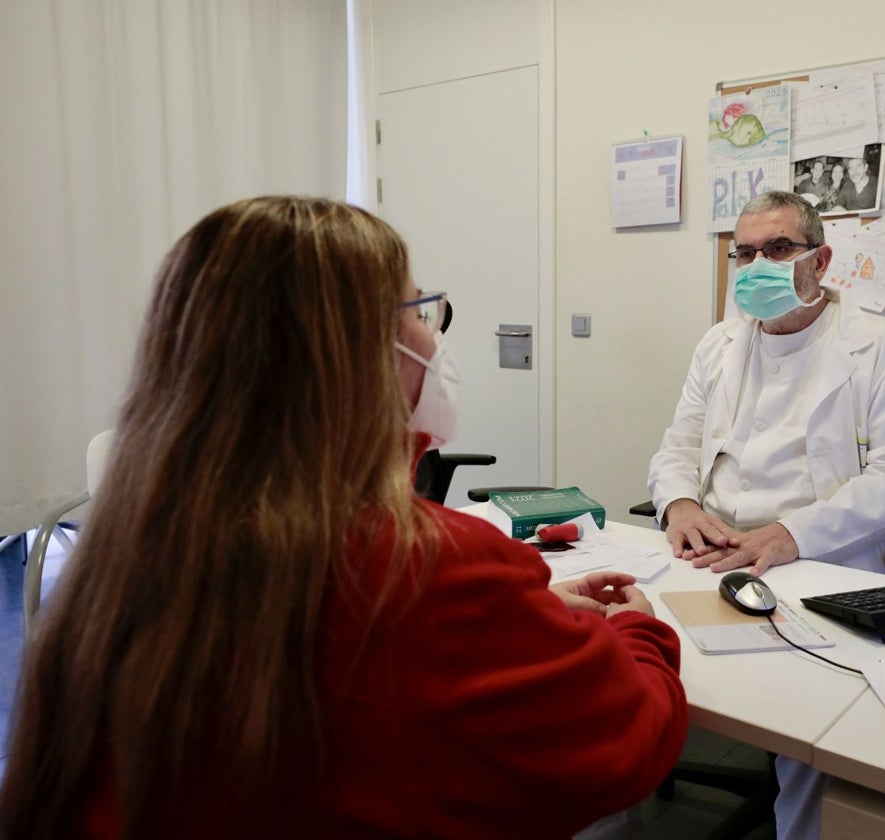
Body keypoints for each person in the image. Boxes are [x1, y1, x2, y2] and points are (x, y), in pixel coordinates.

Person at [0, 196, 688, 839]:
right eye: (421, 309)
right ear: (350, 356)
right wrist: (642, 632)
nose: (433, 334)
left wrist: (522, 617)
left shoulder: (132, 545)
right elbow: (625, 742)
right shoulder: (429, 564)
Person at [646, 190, 885, 840]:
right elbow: (678, 443)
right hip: (710, 558)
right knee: (625, 658)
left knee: (817, 731)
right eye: (744, 252)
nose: (757, 264)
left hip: (821, 568)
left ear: (821, 260)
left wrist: (790, 533)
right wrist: (679, 502)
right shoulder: (718, 344)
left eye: (778, 249)